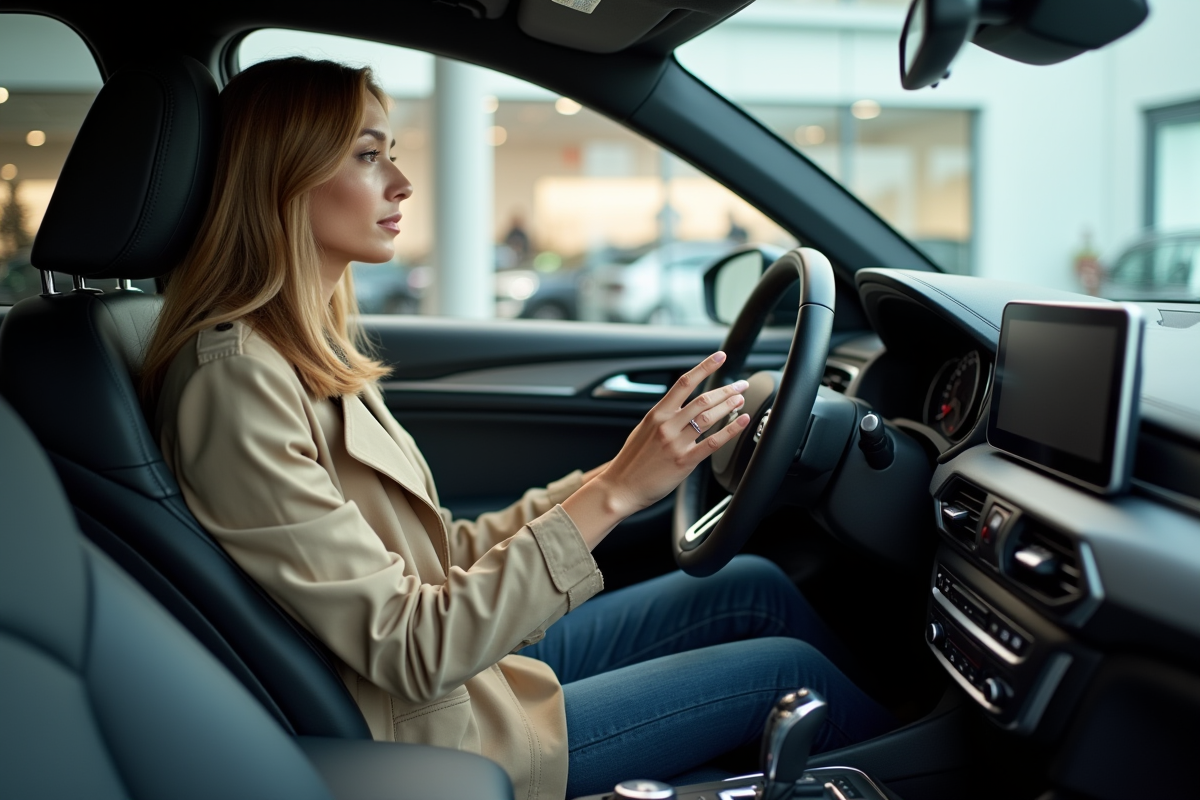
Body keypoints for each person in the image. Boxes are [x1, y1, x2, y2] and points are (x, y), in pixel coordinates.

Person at [141, 57, 893, 800]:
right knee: (786, 675)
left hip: (471, 677)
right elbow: (412, 645)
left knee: (751, 588)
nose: (401, 184)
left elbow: (440, 552)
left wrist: (621, 475)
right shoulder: (236, 380)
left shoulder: (299, 350)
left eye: (391, 156)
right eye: (368, 158)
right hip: (444, 733)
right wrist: (617, 495)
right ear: (281, 176)